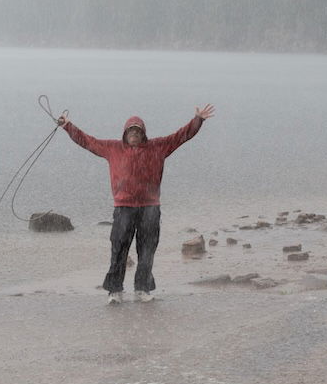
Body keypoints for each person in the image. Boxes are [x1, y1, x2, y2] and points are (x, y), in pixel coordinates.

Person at [57, 105, 215, 304]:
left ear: (143, 134)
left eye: (138, 131)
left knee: (147, 250)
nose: (134, 134)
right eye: (131, 130)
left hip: (150, 208)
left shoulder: (158, 146)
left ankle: (143, 289)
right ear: (125, 133)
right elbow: (87, 141)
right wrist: (68, 126)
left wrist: (197, 120)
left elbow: (182, 136)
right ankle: (115, 291)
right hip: (123, 208)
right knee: (119, 249)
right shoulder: (112, 148)